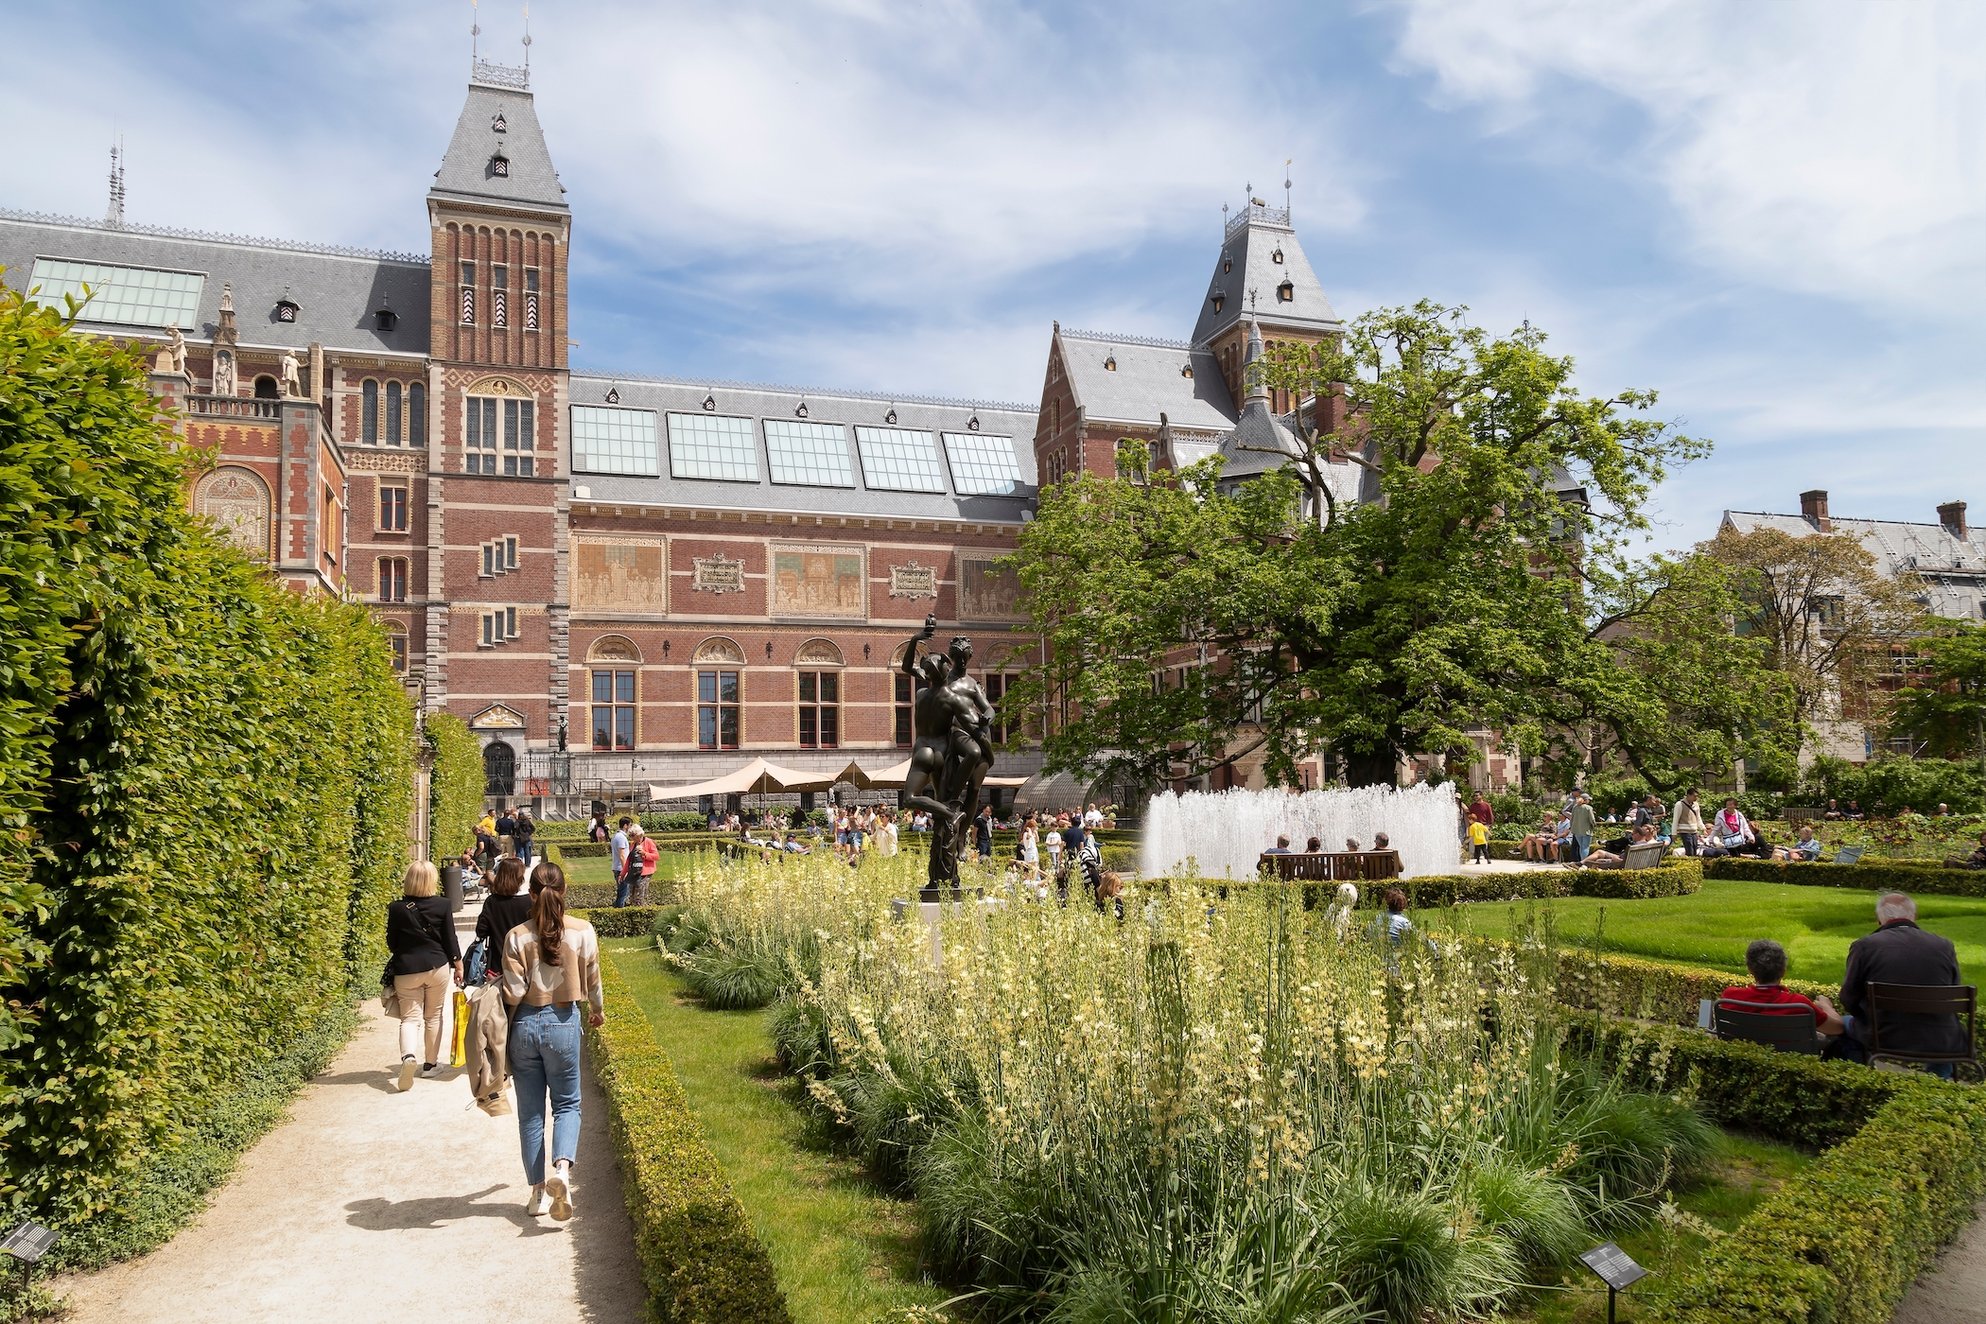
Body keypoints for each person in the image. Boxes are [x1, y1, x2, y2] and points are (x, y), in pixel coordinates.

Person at [500, 862, 603, 1220]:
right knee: (567, 1104)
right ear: (564, 892)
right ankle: (561, 1171)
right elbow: (593, 980)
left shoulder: (516, 936)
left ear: (531, 894)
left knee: (530, 1115)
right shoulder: (582, 931)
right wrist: (597, 1010)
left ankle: (536, 1193)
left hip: (526, 1025)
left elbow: (512, 993)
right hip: (562, 1020)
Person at [1839, 892, 1969, 1074]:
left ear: (1879, 919)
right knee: (1943, 1031)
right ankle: (1938, 1084)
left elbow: (1848, 998)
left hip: (1882, 1036)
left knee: (1839, 1025)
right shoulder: (1944, 945)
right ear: (1914, 917)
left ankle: (1859, 1081)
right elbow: (1952, 992)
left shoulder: (1865, 946)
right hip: (1942, 1040)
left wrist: (1865, 1016)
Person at [385, 861, 462, 1092]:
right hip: (436, 965)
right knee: (434, 1016)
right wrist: (458, 964)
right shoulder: (443, 904)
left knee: (409, 1018)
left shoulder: (396, 908)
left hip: (407, 968)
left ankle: (408, 1056)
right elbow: (450, 938)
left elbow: (392, 942)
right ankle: (430, 1064)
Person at [1719, 939, 1844, 1041]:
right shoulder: (1799, 1004)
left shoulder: (1731, 996)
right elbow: (1837, 1028)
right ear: (1783, 970)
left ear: (1750, 969)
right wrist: (1826, 1006)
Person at [475, 857, 534, 977]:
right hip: (525, 962)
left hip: (498, 964)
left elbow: (481, 931)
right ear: (520, 878)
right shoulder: (529, 901)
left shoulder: (492, 902)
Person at [1581, 823, 1656, 869]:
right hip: (1633, 863)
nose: (1631, 836)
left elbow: (1623, 860)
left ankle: (1581, 864)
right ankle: (1581, 864)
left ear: (1638, 835)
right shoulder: (1645, 844)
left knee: (1599, 858)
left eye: (1632, 834)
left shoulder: (1636, 846)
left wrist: (1616, 858)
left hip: (1623, 863)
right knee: (1600, 854)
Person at [632, 824, 659, 904]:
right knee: (633, 894)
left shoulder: (649, 842)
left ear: (639, 834)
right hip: (635, 872)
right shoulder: (633, 844)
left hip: (646, 872)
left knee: (641, 892)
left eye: (633, 835)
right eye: (630, 835)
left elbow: (656, 856)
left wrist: (644, 854)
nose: (631, 837)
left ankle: (643, 908)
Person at [1672, 790, 1705, 857]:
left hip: (1694, 830)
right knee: (1689, 849)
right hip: (1684, 830)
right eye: (1694, 796)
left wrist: (1703, 828)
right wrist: (1674, 833)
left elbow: (1698, 817)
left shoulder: (1696, 804)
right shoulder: (1679, 804)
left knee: (1695, 848)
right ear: (1688, 795)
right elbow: (1675, 819)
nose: (1696, 798)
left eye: (1697, 796)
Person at [611, 817, 633, 908]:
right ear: (625, 826)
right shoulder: (620, 838)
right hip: (620, 868)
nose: (631, 828)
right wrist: (625, 870)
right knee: (623, 893)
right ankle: (619, 909)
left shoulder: (617, 836)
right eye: (630, 825)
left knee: (621, 891)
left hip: (617, 867)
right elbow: (622, 855)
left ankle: (617, 908)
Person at [1567, 794, 1595, 865]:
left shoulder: (1575, 808)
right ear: (1585, 800)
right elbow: (1592, 820)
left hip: (1576, 831)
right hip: (1586, 830)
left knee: (1581, 847)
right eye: (1588, 799)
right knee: (1585, 847)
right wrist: (1594, 826)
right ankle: (1584, 863)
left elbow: (1571, 819)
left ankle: (1582, 862)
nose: (1589, 801)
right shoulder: (1588, 808)